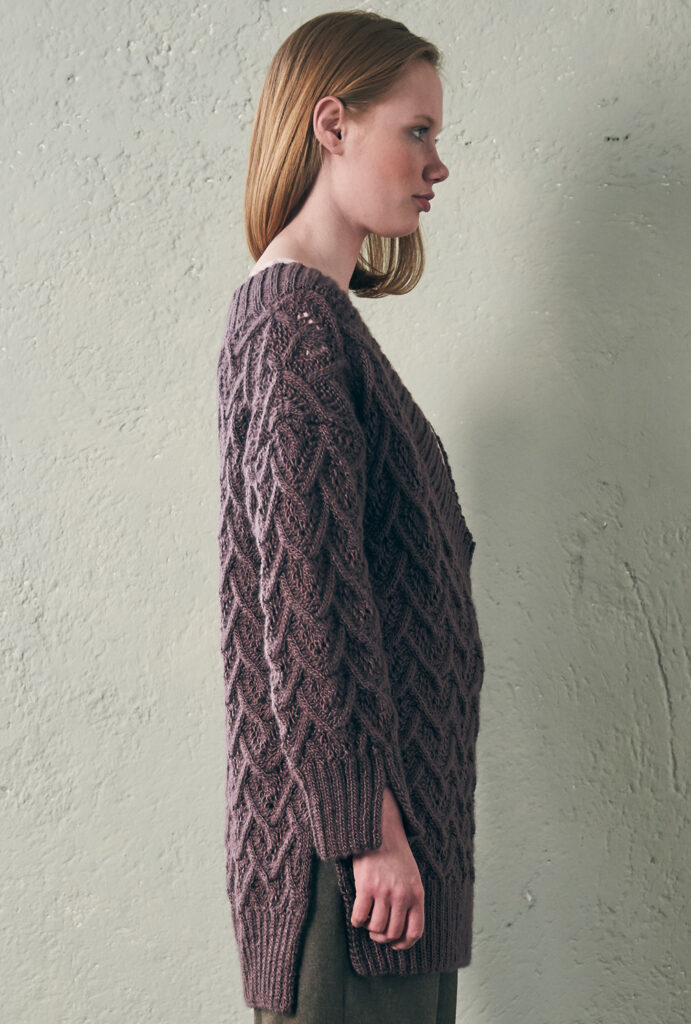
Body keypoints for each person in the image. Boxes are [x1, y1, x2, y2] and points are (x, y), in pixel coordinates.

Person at [216, 10, 485, 1023]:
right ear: (332, 125)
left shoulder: (321, 324)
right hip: (353, 871)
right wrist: (364, 829)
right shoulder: (292, 324)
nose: (436, 164)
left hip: (381, 859)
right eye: (416, 131)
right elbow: (305, 598)